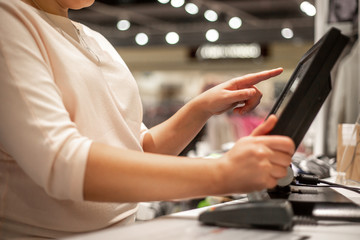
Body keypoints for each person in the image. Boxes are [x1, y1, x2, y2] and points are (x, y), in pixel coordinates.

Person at [0, 0, 295, 238]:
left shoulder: (93, 39)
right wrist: (222, 173)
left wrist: (200, 108)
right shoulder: (9, 18)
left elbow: (139, 150)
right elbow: (61, 161)